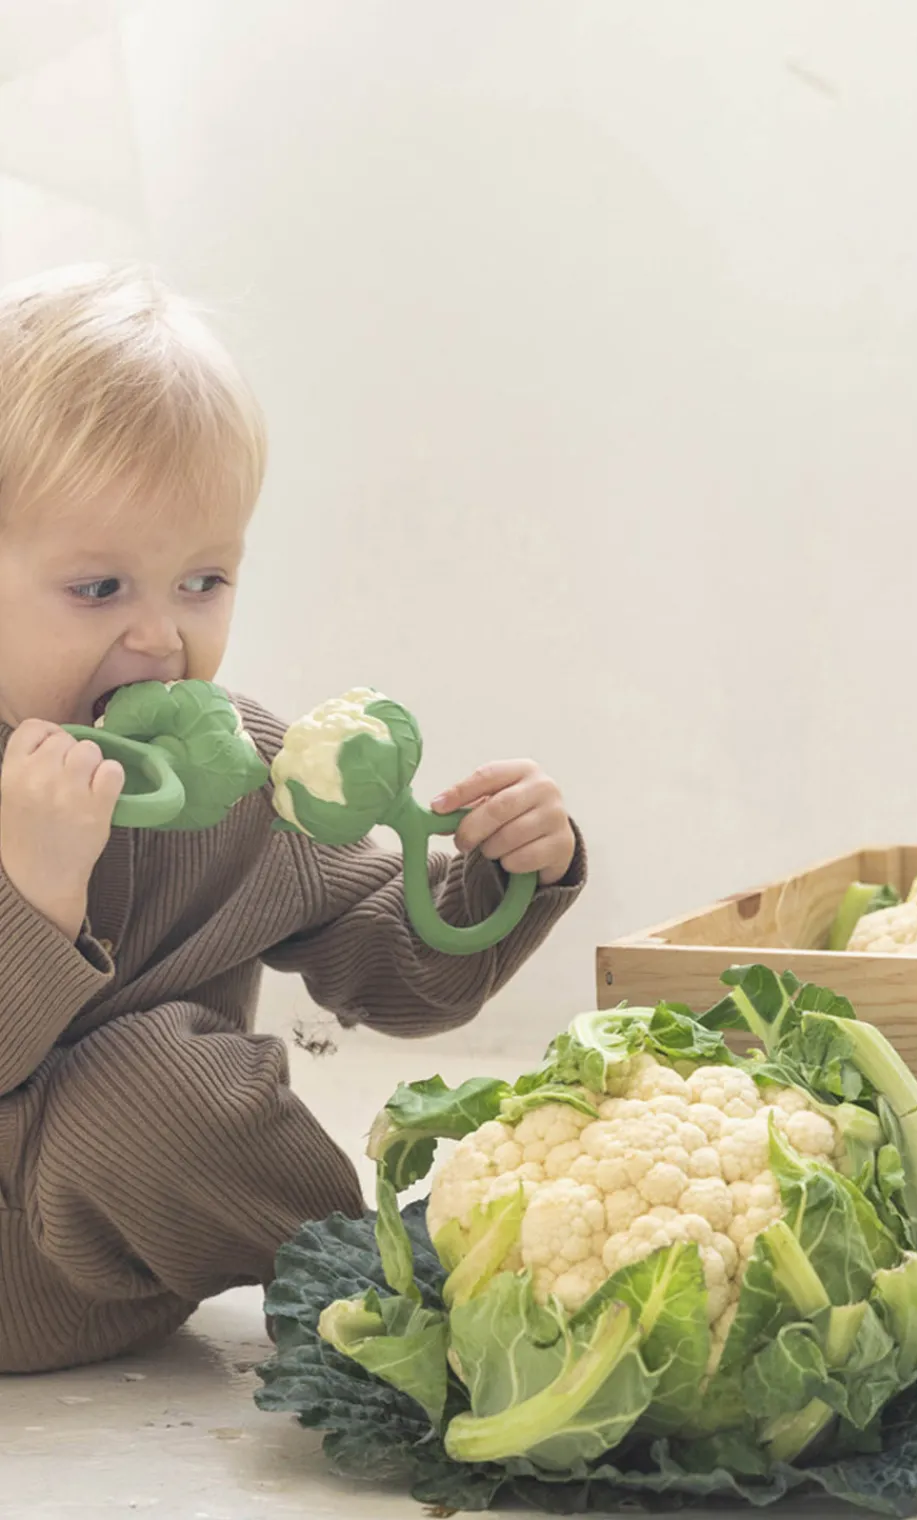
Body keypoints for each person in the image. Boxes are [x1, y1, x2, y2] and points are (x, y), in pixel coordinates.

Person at [0, 264, 585, 1375]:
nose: (159, 640)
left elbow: (393, 970)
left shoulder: (242, 769)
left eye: (203, 580)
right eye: (98, 589)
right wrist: (29, 897)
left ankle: (384, 1288)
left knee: (164, 1086)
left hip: (118, 1284)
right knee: (146, 1077)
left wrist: (492, 880)